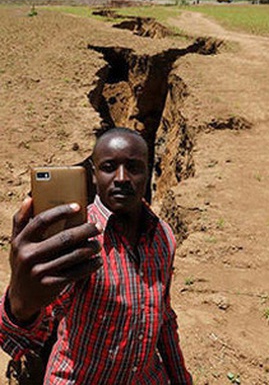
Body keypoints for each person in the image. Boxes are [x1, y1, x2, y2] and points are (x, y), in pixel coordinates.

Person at [0, 127, 192, 384]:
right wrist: (20, 303)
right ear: (92, 175)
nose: (122, 178)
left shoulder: (163, 237)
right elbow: (35, 328)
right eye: (109, 167)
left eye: (134, 167)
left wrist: (181, 378)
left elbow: (164, 318)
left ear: (149, 171)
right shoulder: (79, 238)